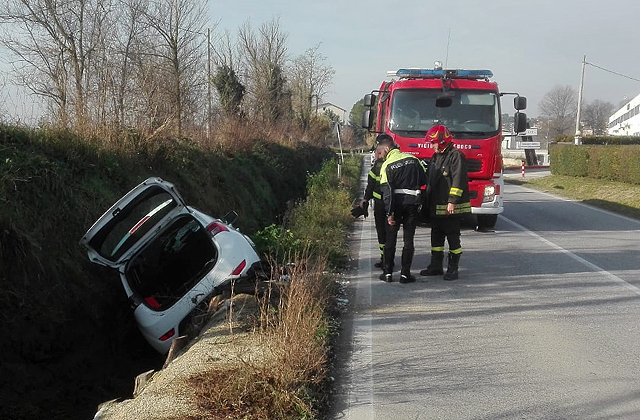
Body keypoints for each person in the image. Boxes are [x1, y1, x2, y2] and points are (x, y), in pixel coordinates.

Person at [420, 125, 471, 280]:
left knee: (452, 237)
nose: (432, 145)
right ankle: (436, 266)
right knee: (436, 237)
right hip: (436, 206)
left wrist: (452, 202)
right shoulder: (436, 157)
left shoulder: (456, 156)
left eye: (434, 142)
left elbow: (458, 181)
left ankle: (453, 269)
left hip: (450, 208)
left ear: (442, 140)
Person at [378, 136, 427, 283]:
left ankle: (387, 273)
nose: (381, 155)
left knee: (390, 239)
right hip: (412, 205)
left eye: (381, 152)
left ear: (387, 149)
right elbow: (424, 179)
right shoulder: (414, 159)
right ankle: (405, 274)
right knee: (408, 239)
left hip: (396, 205)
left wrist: (389, 213)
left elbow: (387, 192)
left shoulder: (387, 165)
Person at [360, 134, 391, 269]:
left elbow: (370, 185)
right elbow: (371, 184)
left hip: (382, 204)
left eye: (377, 152)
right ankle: (386, 258)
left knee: (383, 232)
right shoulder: (389, 164)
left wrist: (366, 199)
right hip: (389, 204)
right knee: (388, 232)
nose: (376, 154)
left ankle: (386, 259)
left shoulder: (379, 166)